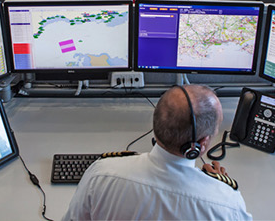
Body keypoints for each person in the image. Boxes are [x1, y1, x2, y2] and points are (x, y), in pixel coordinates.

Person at [62, 85, 252, 221]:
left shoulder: (101, 174)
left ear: (155, 125)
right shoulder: (226, 205)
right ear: (201, 145)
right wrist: (218, 187)